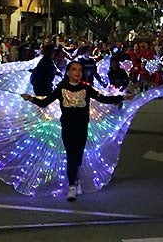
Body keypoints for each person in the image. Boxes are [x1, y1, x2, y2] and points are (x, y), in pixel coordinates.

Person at [21, 61, 132, 201]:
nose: (77, 72)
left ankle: (76, 179)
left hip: (82, 127)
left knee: (78, 156)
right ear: (68, 72)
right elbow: (45, 102)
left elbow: (103, 98)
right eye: (74, 69)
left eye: (79, 70)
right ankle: (72, 186)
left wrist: (122, 97)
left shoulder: (86, 88)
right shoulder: (61, 88)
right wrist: (30, 98)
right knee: (71, 156)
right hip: (68, 128)